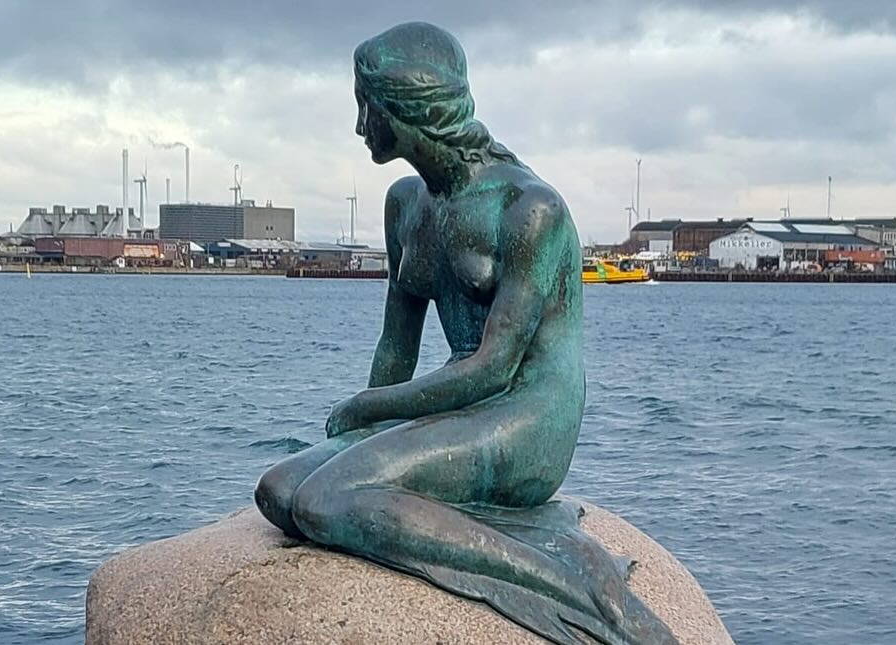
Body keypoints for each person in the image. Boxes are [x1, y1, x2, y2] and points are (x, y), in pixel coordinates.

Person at [255, 22, 676, 644]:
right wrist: (363, 428)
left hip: (527, 413)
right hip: (460, 406)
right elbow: (396, 346)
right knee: (280, 491)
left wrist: (365, 409)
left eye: (367, 107)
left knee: (326, 501)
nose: (360, 125)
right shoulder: (405, 204)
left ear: (409, 109)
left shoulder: (528, 208)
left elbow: (494, 367)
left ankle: (575, 589)